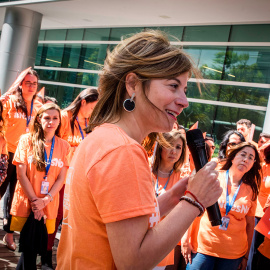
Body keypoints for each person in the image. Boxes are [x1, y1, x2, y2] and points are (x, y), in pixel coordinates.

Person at [56, 30, 222, 270]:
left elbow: (114, 221)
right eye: (173, 86)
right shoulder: (123, 151)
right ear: (133, 83)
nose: (184, 101)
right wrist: (194, 201)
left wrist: (173, 198)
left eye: (184, 90)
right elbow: (133, 260)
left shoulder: (104, 137)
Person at [9, 103, 70, 269]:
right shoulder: (26, 140)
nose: (51, 121)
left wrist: (45, 201)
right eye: (47, 118)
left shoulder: (64, 146)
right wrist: (36, 204)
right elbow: (21, 175)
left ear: (59, 121)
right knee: (29, 247)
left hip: (48, 205)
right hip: (27, 202)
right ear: (38, 119)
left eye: (55, 118)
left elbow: (61, 179)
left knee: (32, 248)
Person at [186, 142, 261, 270]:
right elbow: (193, 209)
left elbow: (249, 225)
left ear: (253, 163)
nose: (245, 159)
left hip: (233, 254)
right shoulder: (214, 177)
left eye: (250, 157)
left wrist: (246, 256)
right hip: (203, 247)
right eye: (243, 154)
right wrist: (185, 239)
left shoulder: (252, 189)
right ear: (232, 157)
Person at [0, 68, 43, 251]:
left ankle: (8, 235)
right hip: (6, 155)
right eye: (28, 83)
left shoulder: (40, 107)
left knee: (15, 198)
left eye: (34, 83)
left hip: (25, 159)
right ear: (20, 84)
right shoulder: (9, 102)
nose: (32, 86)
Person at [151, 130, 186, 269]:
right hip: (137, 235)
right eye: (169, 145)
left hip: (162, 239)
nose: (174, 151)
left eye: (178, 147)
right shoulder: (145, 168)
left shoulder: (182, 179)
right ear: (160, 146)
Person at [247, 143, 270, 270]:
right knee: (254, 251)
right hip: (258, 214)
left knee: (265, 253)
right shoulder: (262, 167)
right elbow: (259, 150)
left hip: (268, 216)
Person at [60, 88, 99, 156]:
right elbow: (56, 146)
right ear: (83, 102)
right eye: (92, 109)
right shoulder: (64, 117)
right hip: (63, 164)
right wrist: (77, 149)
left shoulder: (91, 123)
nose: (93, 113)